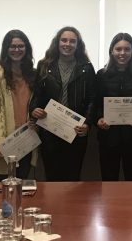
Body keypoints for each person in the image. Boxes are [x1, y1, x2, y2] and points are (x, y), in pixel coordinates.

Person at [31, 26, 95, 181]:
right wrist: (34, 110)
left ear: (78, 45)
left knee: (73, 178)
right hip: (49, 131)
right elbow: (37, 95)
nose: (68, 44)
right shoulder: (44, 65)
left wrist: (87, 123)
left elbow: (92, 98)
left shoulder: (86, 68)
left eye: (72, 41)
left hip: (76, 131)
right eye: (64, 40)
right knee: (52, 177)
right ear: (57, 42)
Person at [90, 33, 132, 181]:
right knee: (109, 181)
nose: (122, 53)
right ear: (111, 51)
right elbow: (95, 103)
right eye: (118, 49)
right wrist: (98, 119)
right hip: (108, 137)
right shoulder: (101, 75)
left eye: (127, 49)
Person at [0, 29, 36, 179]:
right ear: (6, 49)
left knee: (23, 184)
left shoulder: (33, 75)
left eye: (21, 46)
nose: (17, 50)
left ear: (27, 48)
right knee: (6, 185)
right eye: (12, 46)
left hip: (27, 139)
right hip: (6, 141)